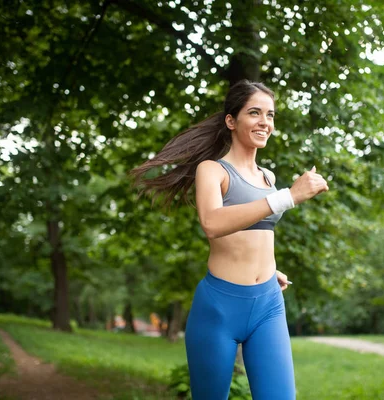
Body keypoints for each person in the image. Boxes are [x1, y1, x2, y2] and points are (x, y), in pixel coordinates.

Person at [131, 80, 329, 399]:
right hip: (218, 307)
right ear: (231, 120)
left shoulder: (269, 178)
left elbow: (259, 231)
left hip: (267, 303)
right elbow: (212, 223)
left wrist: (265, 268)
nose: (265, 121)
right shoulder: (213, 171)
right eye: (254, 112)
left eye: (271, 114)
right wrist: (288, 197)